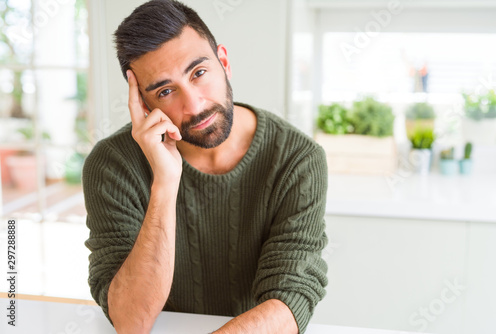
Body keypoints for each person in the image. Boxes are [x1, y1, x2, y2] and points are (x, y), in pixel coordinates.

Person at [82, 1, 328, 333]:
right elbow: (130, 320)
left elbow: (290, 299)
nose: (194, 105)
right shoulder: (111, 165)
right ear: (142, 102)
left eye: (199, 73)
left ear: (223, 62)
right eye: (166, 91)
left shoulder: (296, 158)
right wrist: (165, 185)